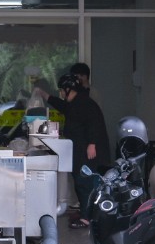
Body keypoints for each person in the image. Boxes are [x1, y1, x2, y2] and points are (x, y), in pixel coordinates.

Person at [37, 74, 111, 228]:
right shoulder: (75, 103)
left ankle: (88, 216)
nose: (61, 94)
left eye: (62, 91)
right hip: (79, 150)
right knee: (80, 181)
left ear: (69, 89)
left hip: (88, 152)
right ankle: (86, 213)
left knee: (86, 183)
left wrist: (92, 144)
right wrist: (46, 96)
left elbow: (94, 124)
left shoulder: (85, 104)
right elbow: (63, 107)